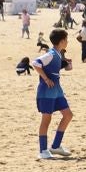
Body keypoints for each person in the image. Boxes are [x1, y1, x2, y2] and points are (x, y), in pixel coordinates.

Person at [32, 28, 78, 161]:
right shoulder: (51, 53)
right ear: (62, 41)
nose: (67, 41)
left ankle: (56, 146)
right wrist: (46, 78)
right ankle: (43, 150)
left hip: (57, 90)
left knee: (68, 115)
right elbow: (35, 63)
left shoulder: (58, 54)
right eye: (66, 39)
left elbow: (61, 68)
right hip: (47, 91)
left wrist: (67, 64)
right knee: (46, 119)